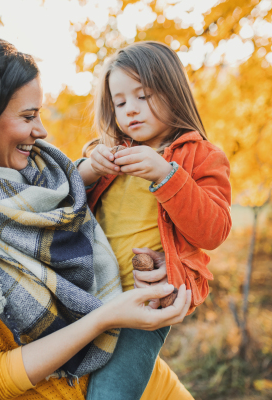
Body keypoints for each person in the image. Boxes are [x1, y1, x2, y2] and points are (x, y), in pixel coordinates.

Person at [0, 36, 195, 400]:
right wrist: (104, 318)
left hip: (148, 386)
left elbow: (120, 238)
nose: (41, 131)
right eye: (28, 116)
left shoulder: (51, 180)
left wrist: (159, 263)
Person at [76, 41, 232, 399]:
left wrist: (167, 175)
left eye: (143, 96)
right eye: (120, 102)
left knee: (111, 392)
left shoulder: (203, 157)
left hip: (147, 302)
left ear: (172, 91)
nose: (130, 109)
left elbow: (214, 230)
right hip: (91, 294)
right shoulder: (111, 154)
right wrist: (87, 170)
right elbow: (64, 200)